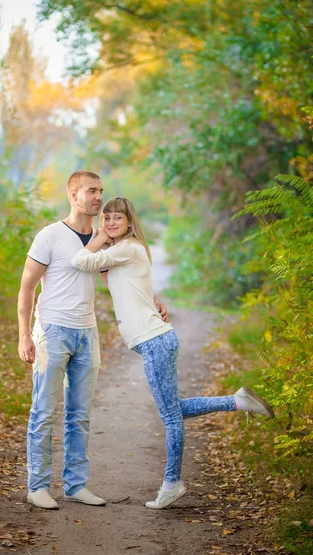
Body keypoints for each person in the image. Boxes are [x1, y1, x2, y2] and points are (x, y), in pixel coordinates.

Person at [71, 196, 275, 510]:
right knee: (174, 410)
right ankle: (237, 401)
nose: (110, 223)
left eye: (117, 218)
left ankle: (172, 482)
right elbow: (119, 280)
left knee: (170, 418)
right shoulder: (122, 252)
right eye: (106, 218)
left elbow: (81, 262)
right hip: (155, 340)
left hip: (155, 341)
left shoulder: (129, 248)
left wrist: (96, 239)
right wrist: (155, 299)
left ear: (129, 222)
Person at [17, 172, 168, 510]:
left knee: (79, 415)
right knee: (43, 411)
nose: (99, 197)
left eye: (101, 191)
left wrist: (152, 300)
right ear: (73, 194)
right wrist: (25, 334)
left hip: (88, 333)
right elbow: (27, 287)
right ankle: (38, 486)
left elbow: (126, 278)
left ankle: (75, 485)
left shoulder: (105, 240)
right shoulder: (50, 236)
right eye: (91, 191)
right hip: (52, 331)